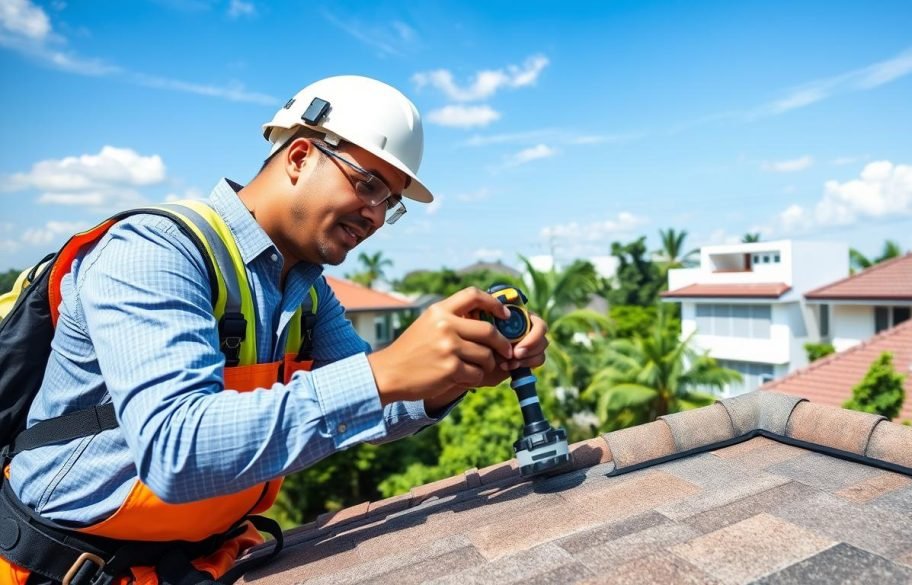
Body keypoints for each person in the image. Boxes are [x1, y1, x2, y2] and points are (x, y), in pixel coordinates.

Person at [0, 76, 548, 584]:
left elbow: (372, 407)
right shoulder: (155, 251)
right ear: (301, 155)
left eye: (392, 203)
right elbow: (175, 451)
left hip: (195, 561)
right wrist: (386, 370)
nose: (377, 216)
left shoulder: (307, 291)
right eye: (369, 185)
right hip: (65, 566)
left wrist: (459, 370)